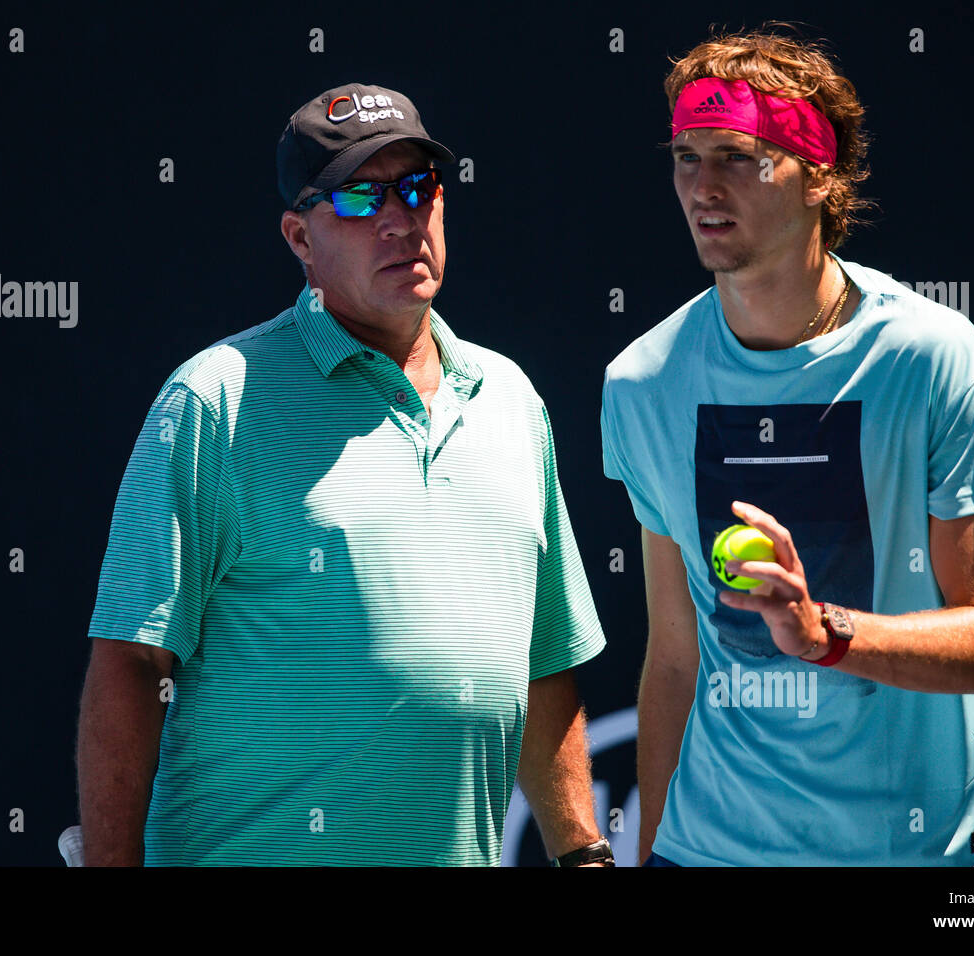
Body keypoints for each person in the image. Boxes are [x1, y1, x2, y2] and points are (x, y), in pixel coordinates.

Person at [76, 83, 610, 866]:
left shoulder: (510, 401)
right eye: (360, 198)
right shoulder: (216, 398)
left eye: (417, 189)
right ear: (299, 237)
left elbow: (540, 666)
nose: (400, 219)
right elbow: (131, 661)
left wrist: (583, 855)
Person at [600, 29, 974, 866]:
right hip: (709, 851)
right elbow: (675, 658)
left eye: (740, 156)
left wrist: (821, 632)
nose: (704, 186)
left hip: (916, 853)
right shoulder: (640, 382)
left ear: (819, 177)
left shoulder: (936, 359)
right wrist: (651, 853)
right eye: (687, 156)